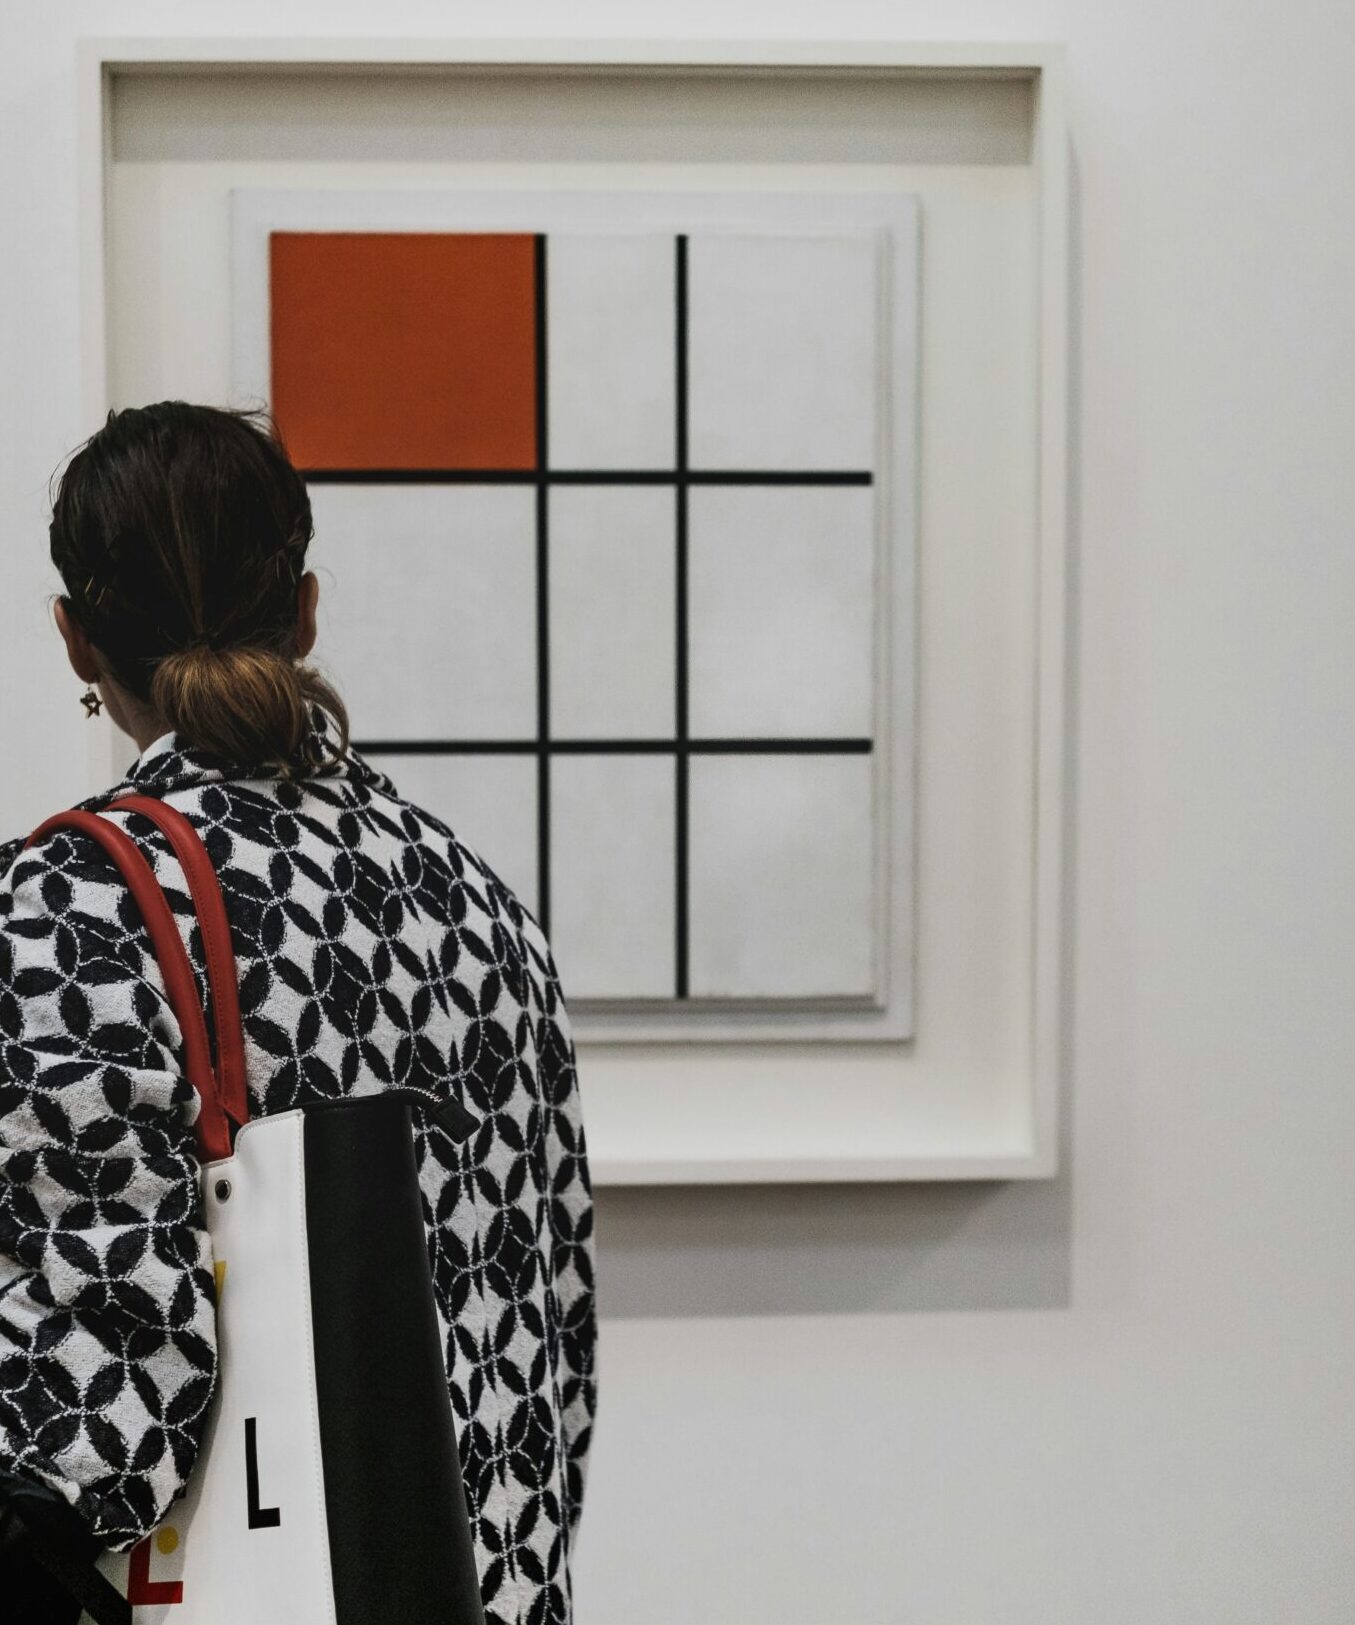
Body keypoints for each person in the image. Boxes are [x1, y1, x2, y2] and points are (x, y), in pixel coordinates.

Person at [0, 403, 596, 1624]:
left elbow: (113, 1391)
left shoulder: (70, 902)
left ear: (73, 639)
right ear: (306, 605)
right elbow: (544, 1313)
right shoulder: (471, 893)